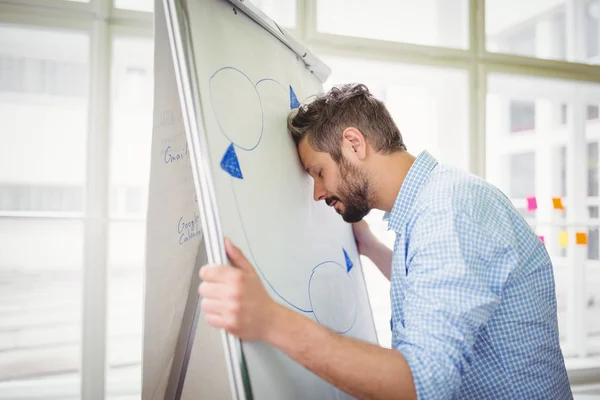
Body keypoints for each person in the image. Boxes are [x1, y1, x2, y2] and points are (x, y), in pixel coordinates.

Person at [199, 84, 572, 399]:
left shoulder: (448, 209)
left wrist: (270, 321)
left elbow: (421, 383)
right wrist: (372, 249)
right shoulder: (435, 202)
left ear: (353, 143)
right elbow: (445, 287)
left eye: (319, 172)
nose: (316, 192)